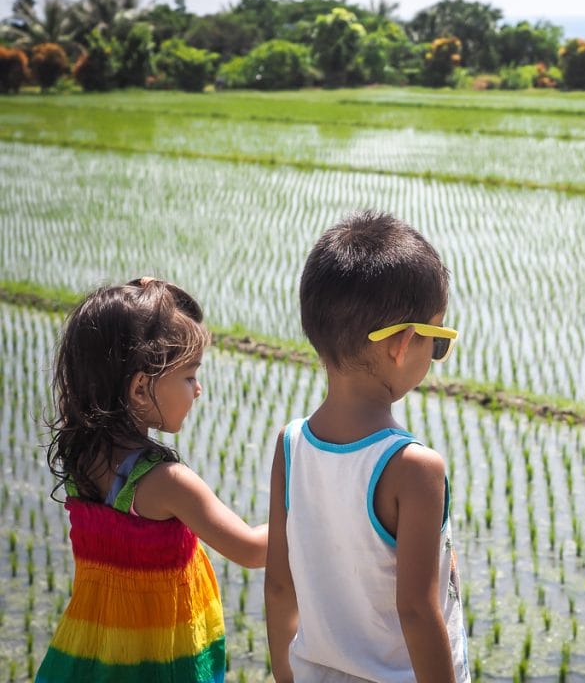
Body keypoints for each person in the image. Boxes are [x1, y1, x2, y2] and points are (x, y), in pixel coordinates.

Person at [265, 211, 470, 683]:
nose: (435, 356)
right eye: (437, 341)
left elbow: (279, 585)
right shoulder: (414, 468)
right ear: (402, 344)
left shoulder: (290, 445)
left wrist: (285, 674)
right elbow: (418, 613)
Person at [35, 277, 268, 682]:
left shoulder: (81, 454)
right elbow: (250, 550)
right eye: (189, 375)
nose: (198, 390)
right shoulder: (168, 483)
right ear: (141, 388)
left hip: (90, 654)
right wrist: (312, 507)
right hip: (159, 664)